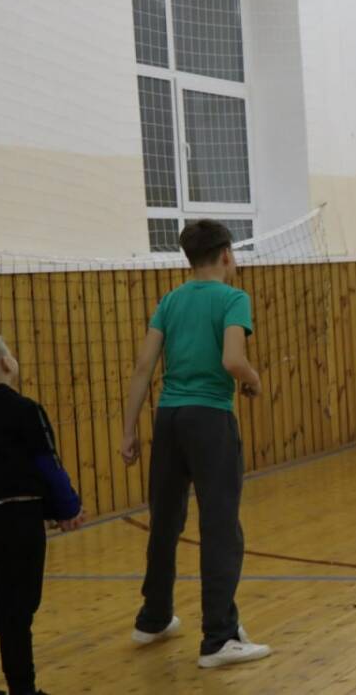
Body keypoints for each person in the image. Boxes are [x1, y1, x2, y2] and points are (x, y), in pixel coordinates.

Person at [120, 219, 270, 668]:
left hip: (169, 419)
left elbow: (143, 366)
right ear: (226, 254)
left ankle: (153, 618)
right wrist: (253, 379)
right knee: (221, 527)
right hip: (210, 421)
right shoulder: (233, 299)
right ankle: (219, 637)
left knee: (165, 522)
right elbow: (232, 360)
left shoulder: (171, 299)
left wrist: (128, 430)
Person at [0, 333, 85, 695]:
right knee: (19, 608)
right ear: (6, 363)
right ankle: (23, 689)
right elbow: (47, 463)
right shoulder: (25, 409)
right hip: (20, 520)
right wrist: (68, 507)